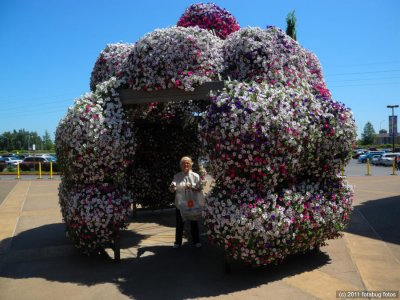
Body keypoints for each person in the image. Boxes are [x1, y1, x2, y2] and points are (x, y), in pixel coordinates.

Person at [169, 156, 202, 249]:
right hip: (181, 203)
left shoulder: (196, 176)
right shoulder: (177, 176)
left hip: (193, 202)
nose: (186, 165)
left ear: (191, 164)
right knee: (179, 223)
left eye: (187, 163)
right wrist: (172, 186)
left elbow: (200, 189)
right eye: (183, 163)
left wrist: (192, 187)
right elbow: (173, 186)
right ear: (181, 165)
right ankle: (177, 242)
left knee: (194, 222)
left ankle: (196, 241)